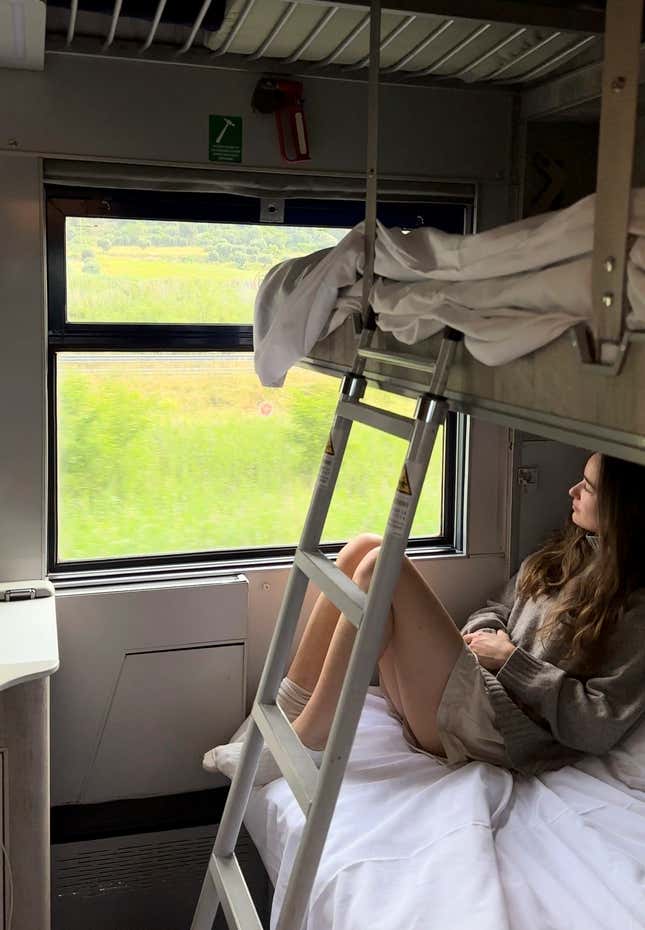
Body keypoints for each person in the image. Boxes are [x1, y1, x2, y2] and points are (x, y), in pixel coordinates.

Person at [204, 452, 645, 784]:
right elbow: (495, 607)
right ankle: (288, 710)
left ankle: (308, 742)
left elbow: (599, 723)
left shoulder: (636, 606)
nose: (572, 491)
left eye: (587, 487)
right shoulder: (569, 551)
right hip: (480, 686)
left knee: (382, 566)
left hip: (501, 730)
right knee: (364, 545)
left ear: (623, 509)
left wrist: (511, 659)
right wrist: (486, 633)